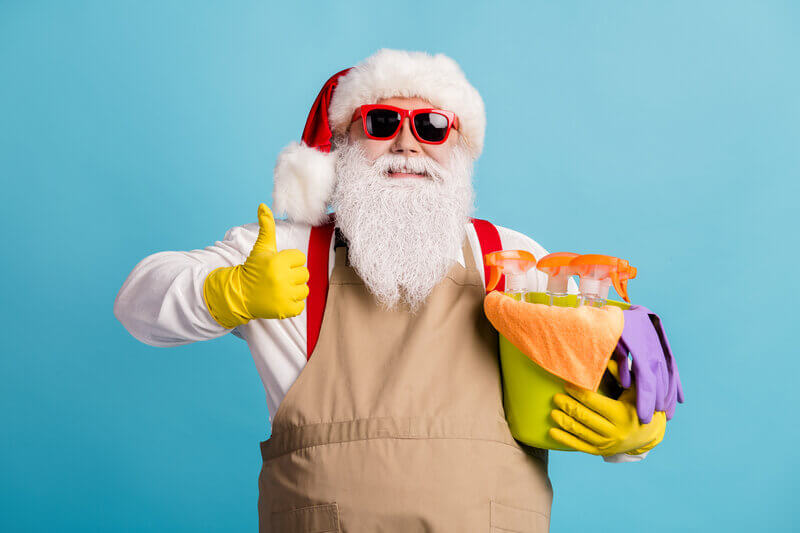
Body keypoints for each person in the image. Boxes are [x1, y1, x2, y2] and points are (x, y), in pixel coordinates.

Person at [114, 49, 670, 532]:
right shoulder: (281, 252)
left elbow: (590, 381)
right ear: (346, 140)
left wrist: (632, 431)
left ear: (460, 147)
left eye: (431, 126)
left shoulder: (512, 260)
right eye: (381, 122)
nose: (408, 144)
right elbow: (137, 303)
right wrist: (226, 292)